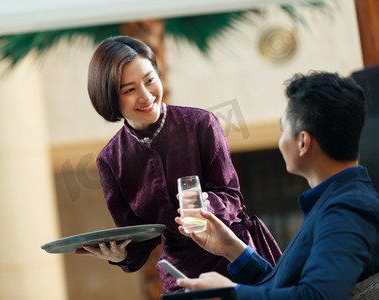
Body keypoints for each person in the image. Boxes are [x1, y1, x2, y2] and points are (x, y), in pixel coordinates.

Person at [75, 35, 282, 293]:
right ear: (109, 98)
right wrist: (120, 256)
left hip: (235, 258)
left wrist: (208, 205)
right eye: (129, 90)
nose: (145, 95)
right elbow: (140, 240)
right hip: (180, 274)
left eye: (150, 80)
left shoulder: (201, 124)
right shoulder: (110, 160)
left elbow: (232, 197)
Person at [175, 71, 379, 299]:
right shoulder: (337, 201)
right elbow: (283, 288)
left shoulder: (346, 209)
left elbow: (316, 296)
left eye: (283, 130)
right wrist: (232, 248)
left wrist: (232, 292)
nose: (281, 141)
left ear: (303, 141)